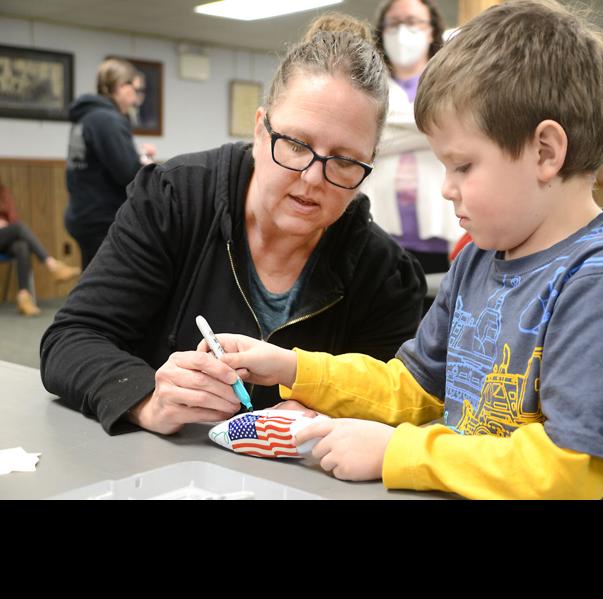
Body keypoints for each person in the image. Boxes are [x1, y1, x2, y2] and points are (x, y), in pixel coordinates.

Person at [207, 0, 603, 499]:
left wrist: (398, 452)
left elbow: (569, 469)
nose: (446, 187)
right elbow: (412, 388)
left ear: (545, 153)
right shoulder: (479, 259)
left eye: (462, 166)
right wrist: (294, 367)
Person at [39, 13, 427, 437]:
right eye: (296, 145)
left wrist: (323, 413)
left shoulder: (385, 273)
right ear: (261, 131)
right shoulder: (175, 198)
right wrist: (146, 399)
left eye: (346, 161)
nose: (313, 178)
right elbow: (72, 337)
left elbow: (395, 400)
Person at [368, 0, 461, 275]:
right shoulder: (371, 84)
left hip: (441, 237)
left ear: (431, 31)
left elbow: (460, 130)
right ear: (382, 31)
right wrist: (432, 126)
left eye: (413, 23)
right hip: (380, 232)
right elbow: (364, 140)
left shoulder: (451, 83)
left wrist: (384, 131)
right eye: (394, 23)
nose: (402, 32)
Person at [63, 57, 155, 266]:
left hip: (83, 212)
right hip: (101, 217)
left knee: (93, 281)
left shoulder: (88, 116)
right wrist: (145, 164)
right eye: (136, 90)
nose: (136, 100)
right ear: (122, 86)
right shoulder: (108, 120)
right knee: (106, 289)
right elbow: (127, 173)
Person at [0, 183, 81, 317]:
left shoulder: (2, 191)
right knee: (19, 228)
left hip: (4, 236)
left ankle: (24, 297)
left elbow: (13, 218)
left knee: (22, 246)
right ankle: (52, 266)